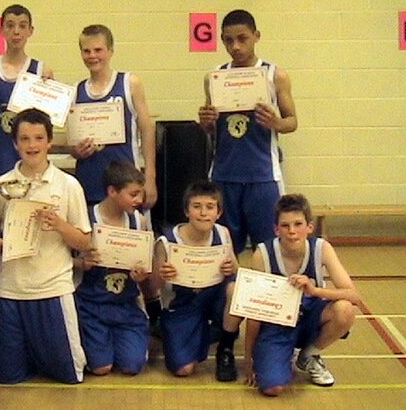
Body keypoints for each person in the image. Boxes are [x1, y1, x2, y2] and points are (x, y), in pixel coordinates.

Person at [0, 108, 92, 384]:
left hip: (52, 291)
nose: (32, 145)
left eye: (38, 138)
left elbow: (85, 242)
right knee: (6, 379)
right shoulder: (1, 186)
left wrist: (59, 225)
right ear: (15, 143)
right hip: (10, 293)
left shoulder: (68, 185)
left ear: (49, 142)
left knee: (69, 377)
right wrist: (9, 243)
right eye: (25, 139)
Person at [198, 9, 297, 254]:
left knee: (269, 249)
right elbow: (212, 131)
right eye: (229, 41)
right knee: (223, 251)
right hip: (224, 174)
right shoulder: (215, 77)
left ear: (256, 36)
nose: (236, 47)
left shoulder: (276, 75)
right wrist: (206, 122)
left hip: (262, 176)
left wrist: (275, 122)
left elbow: (292, 122)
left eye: (242, 39)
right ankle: (226, 293)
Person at [245, 194, 359, 396]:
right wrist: (248, 358)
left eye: (298, 224)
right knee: (272, 387)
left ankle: (308, 355)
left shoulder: (321, 248)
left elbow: (352, 295)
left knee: (345, 310)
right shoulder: (262, 254)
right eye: (285, 225)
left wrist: (314, 290)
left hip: (310, 319)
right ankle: (278, 357)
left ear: (310, 227)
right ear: (276, 229)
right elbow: (254, 312)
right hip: (277, 325)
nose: (292, 231)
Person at [153, 181, 241, 381]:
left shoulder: (223, 233)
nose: (203, 213)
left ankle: (225, 349)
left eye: (210, 207)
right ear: (186, 211)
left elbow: (237, 269)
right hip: (182, 303)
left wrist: (231, 268)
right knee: (183, 369)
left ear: (218, 213)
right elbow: (153, 287)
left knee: (236, 289)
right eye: (197, 207)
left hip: (213, 296)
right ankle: (179, 330)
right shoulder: (166, 242)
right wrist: (162, 275)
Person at [74, 161, 152, 376]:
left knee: (131, 366)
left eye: (140, 194)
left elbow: (147, 269)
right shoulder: (86, 219)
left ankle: (132, 339)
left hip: (125, 305)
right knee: (101, 368)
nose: (139, 200)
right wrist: (81, 263)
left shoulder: (139, 221)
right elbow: (62, 261)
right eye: (133, 194)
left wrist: (142, 276)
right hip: (91, 304)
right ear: (112, 191)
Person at [72, 24, 157, 209]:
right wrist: (75, 150)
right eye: (86, 51)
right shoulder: (76, 91)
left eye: (98, 50)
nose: (92, 56)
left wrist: (150, 177)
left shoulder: (129, 83)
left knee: (126, 236)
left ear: (111, 50)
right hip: (90, 181)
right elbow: (70, 139)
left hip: (126, 184)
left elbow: (147, 130)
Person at [0, 4, 53, 182]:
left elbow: (49, 124)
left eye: (22, 26)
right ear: (1, 30)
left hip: (34, 168)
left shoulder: (41, 71)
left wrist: (53, 97)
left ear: (30, 31)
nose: (16, 31)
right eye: (10, 25)